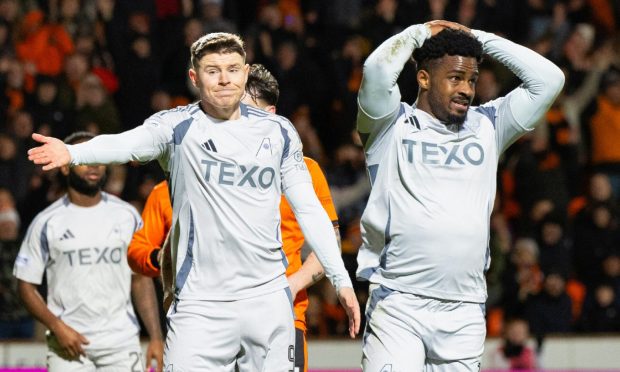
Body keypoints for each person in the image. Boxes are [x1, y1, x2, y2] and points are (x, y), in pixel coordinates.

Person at [27, 33, 360, 371]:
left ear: (245, 73)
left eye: (232, 69)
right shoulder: (175, 126)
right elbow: (127, 144)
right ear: (194, 77)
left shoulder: (279, 131)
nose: (225, 78)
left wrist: (341, 280)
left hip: (268, 301)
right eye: (213, 70)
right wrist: (73, 152)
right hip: (200, 306)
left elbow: (309, 211)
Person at [356, 20, 564, 370]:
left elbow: (550, 80)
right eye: (455, 78)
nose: (467, 89)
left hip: (465, 308)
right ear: (423, 78)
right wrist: (420, 33)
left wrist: (478, 38)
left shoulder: (488, 125)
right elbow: (376, 70)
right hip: (398, 302)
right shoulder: (389, 124)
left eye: (471, 79)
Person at [127, 63, 340, 371]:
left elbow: (328, 242)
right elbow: (137, 252)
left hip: (280, 316)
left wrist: (292, 285)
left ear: (271, 113)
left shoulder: (303, 171)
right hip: (205, 320)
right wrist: (163, 257)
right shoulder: (182, 180)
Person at [13, 132, 164, 371]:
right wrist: (58, 327)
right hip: (68, 347)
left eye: (99, 157)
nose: (93, 165)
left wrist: (156, 336)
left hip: (121, 344)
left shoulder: (127, 215)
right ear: (64, 167)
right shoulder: (46, 222)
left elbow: (140, 280)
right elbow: (25, 285)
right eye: (84, 159)